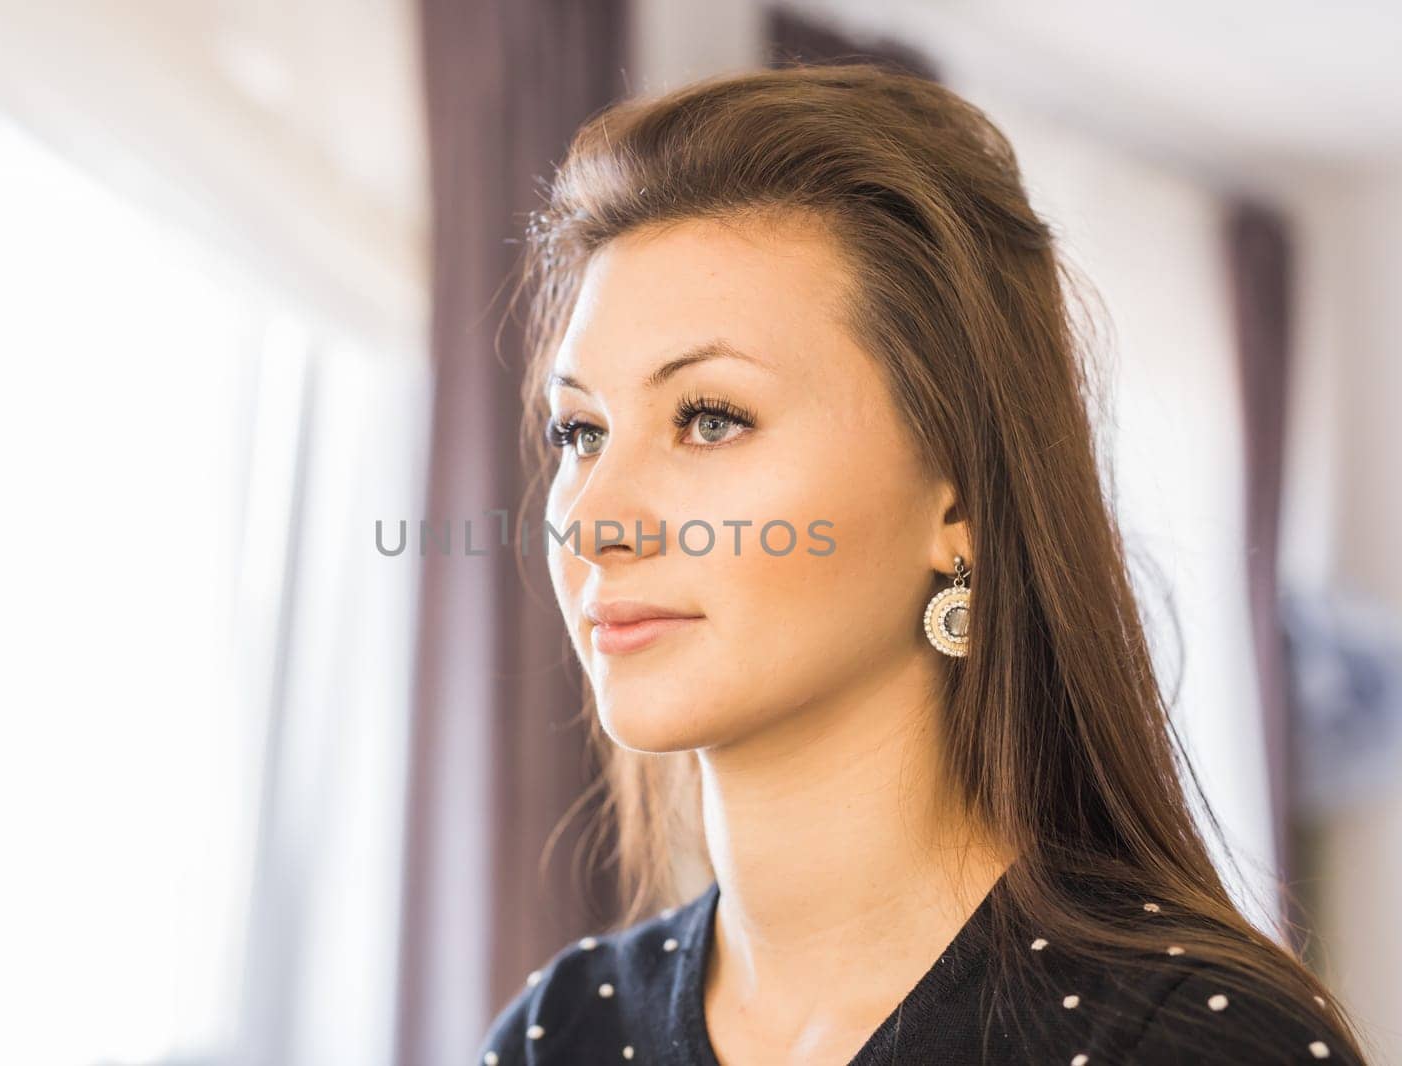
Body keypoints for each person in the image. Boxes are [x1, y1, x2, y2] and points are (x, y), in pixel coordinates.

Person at [476, 61, 1367, 1065]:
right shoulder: (563, 1033)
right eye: (579, 431)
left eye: (710, 418)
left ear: (957, 501)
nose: (593, 520)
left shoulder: (1197, 1044)